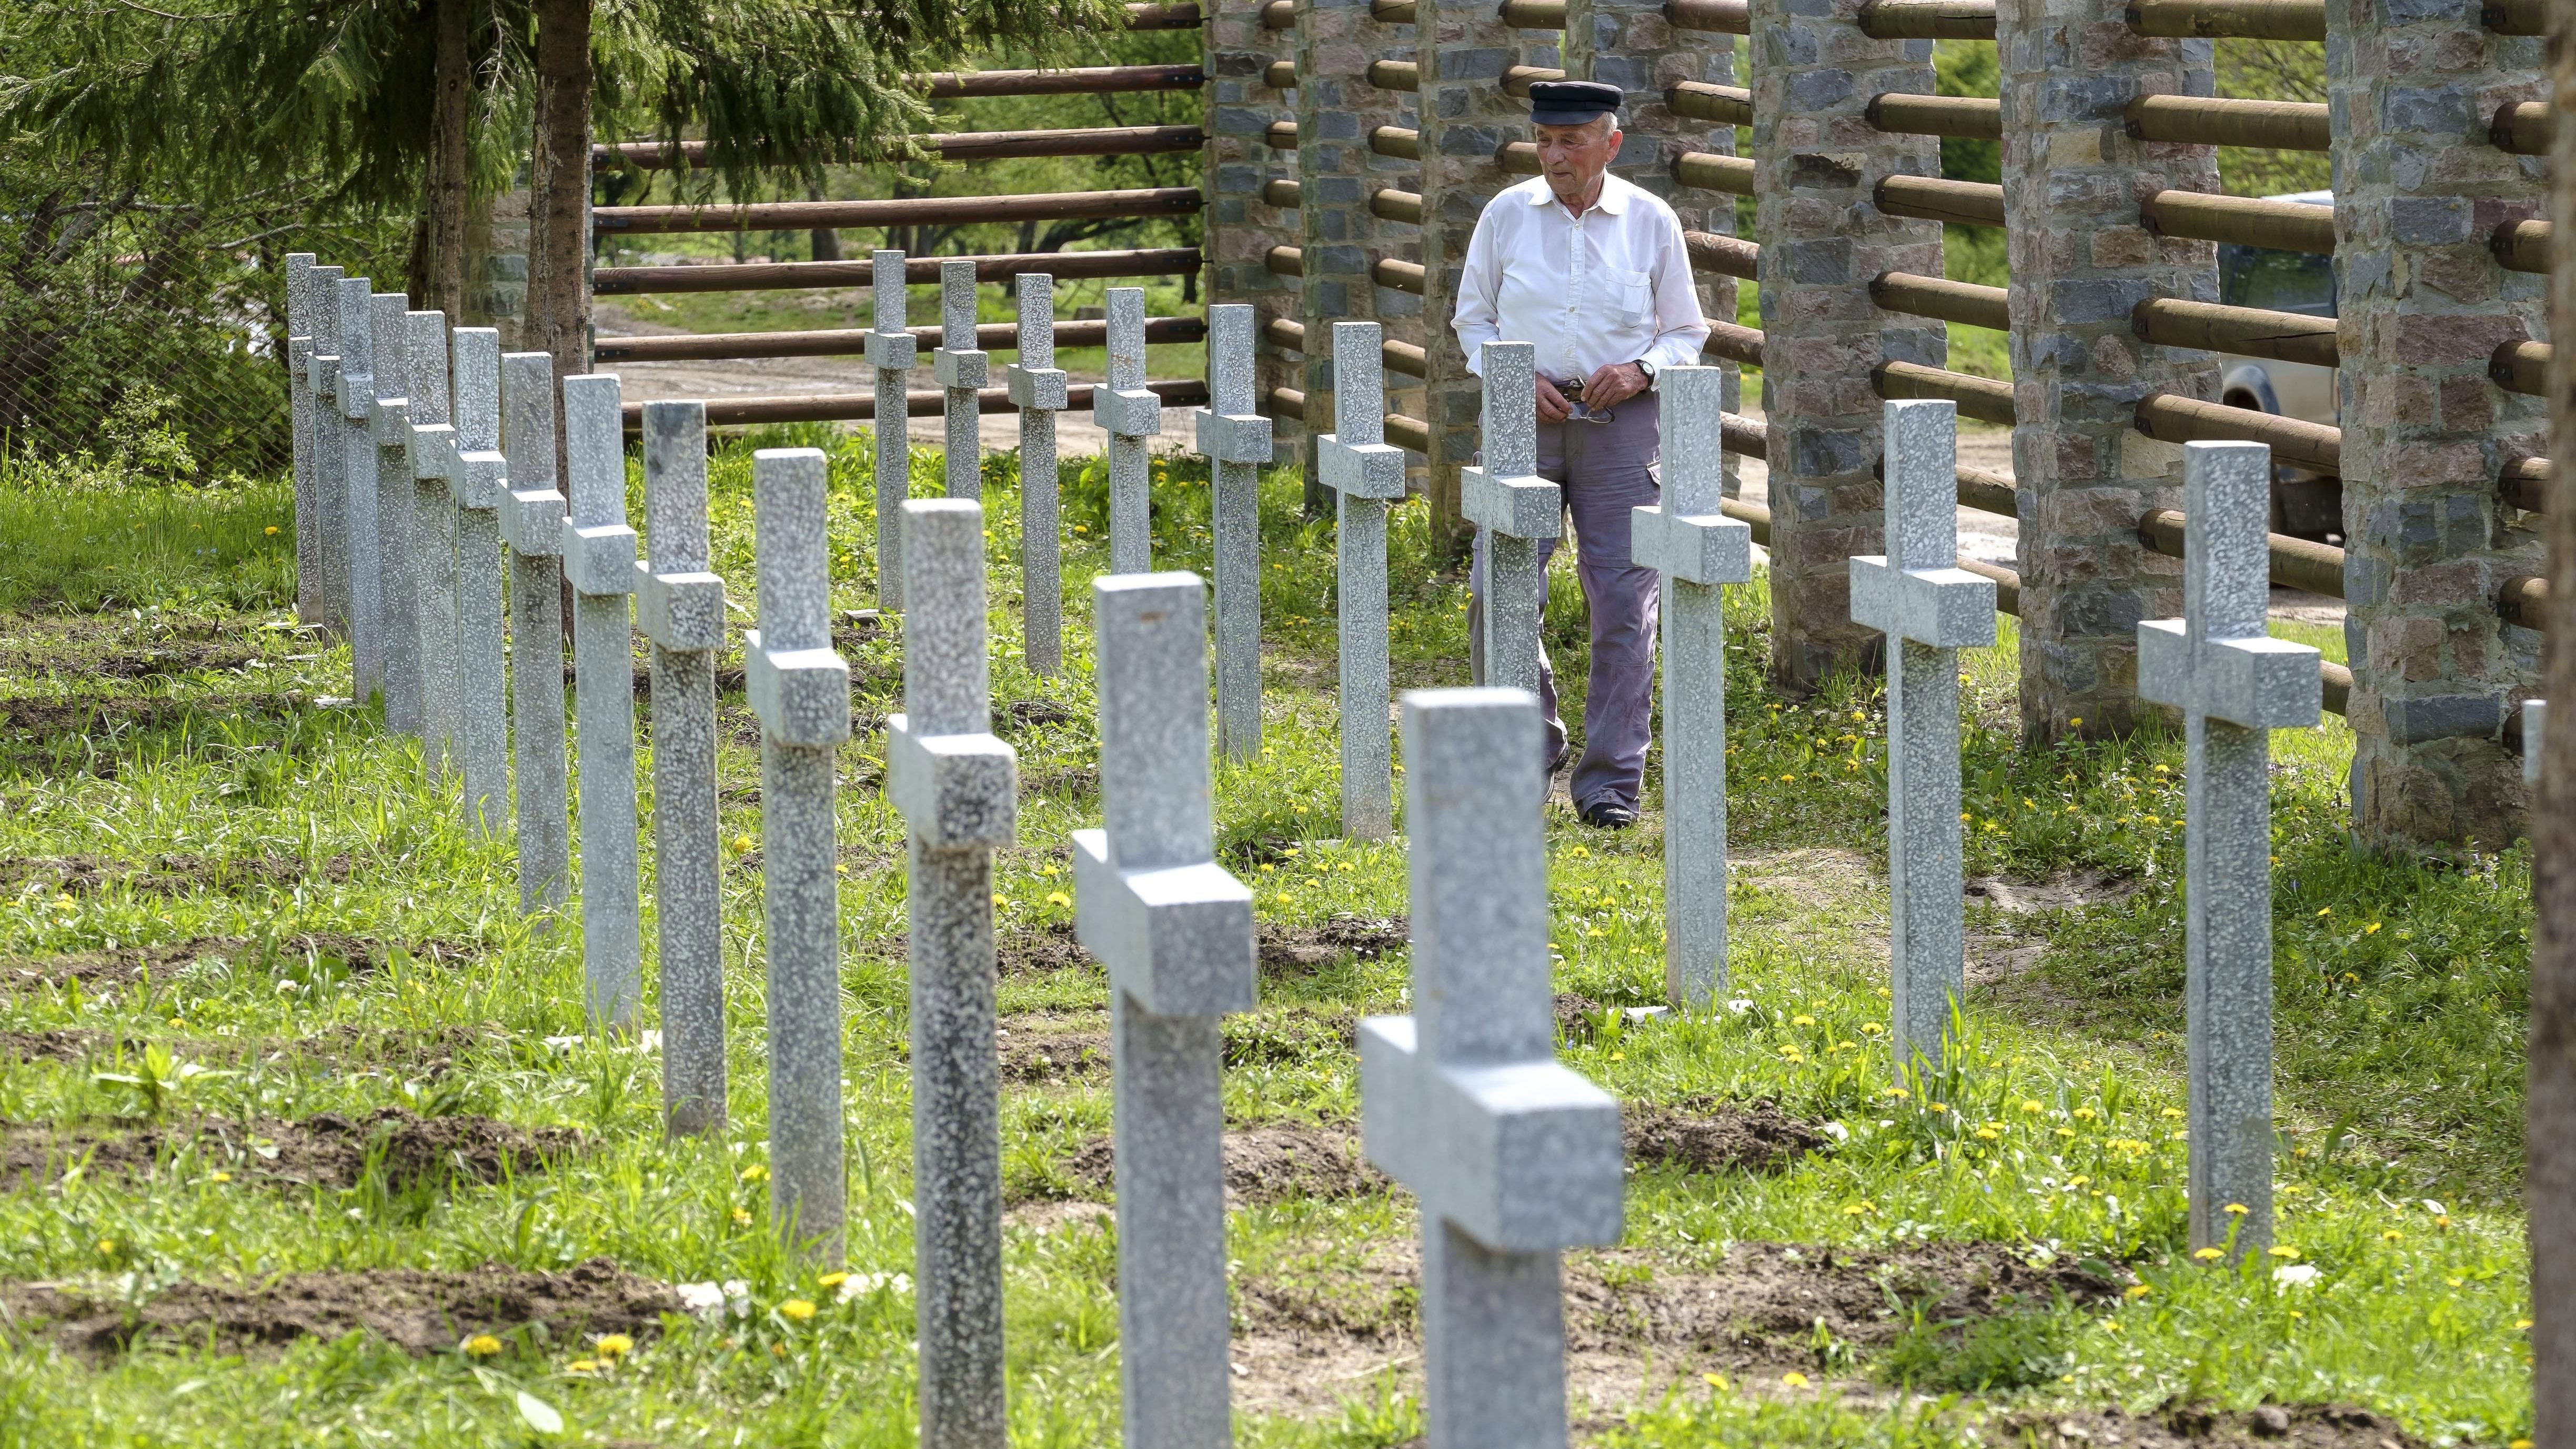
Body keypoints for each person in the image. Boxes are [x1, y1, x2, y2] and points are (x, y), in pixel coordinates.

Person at [1454, 79, 1709, 828]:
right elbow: (1471, 321)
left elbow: (1686, 332)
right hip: (1521, 418)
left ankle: (1609, 787)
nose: (1554, 155)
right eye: (1543, 140)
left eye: (1571, 141)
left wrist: (1642, 371)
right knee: (1496, 594)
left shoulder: (1650, 221)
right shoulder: (1505, 215)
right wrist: (1511, 372)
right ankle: (1525, 754)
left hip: (1621, 425)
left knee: (1626, 606)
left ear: (1611, 143)